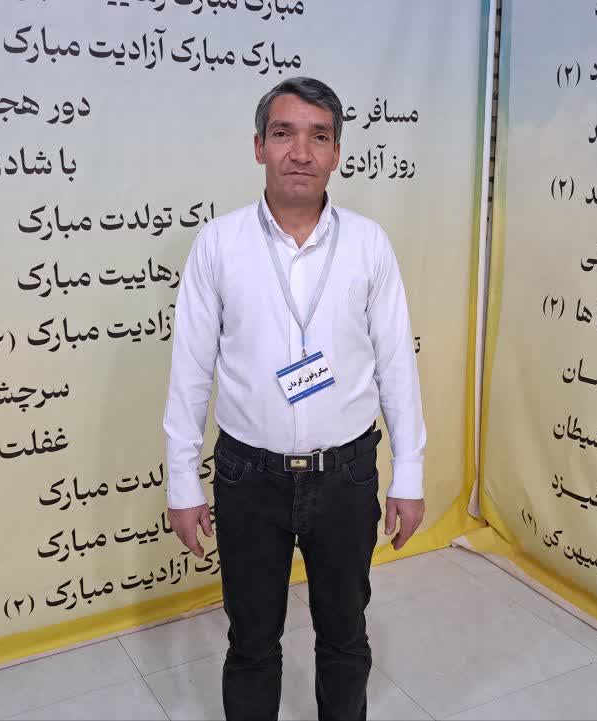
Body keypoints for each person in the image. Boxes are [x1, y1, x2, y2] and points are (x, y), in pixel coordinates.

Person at [162, 76, 427, 720]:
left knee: (345, 636)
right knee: (252, 643)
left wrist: (409, 473)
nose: (301, 152)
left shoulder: (368, 244)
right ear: (259, 146)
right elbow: (191, 370)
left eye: (319, 137)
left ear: (336, 152)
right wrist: (182, 483)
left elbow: (396, 363)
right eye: (283, 134)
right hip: (248, 476)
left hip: (346, 475)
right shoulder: (218, 244)